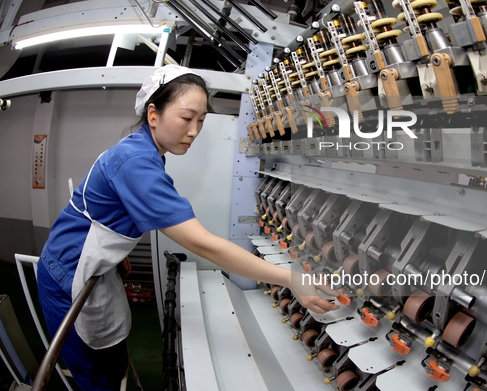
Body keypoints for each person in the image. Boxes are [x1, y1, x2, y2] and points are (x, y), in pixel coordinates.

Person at [36, 65, 339, 391]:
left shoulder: (143, 151)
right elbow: (203, 244)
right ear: (153, 113)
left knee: (112, 362)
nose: (194, 130)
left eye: (202, 121)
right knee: (97, 378)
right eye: (186, 118)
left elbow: (105, 212)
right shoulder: (136, 162)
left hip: (88, 264)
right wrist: (291, 278)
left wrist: (113, 255)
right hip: (68, 275)